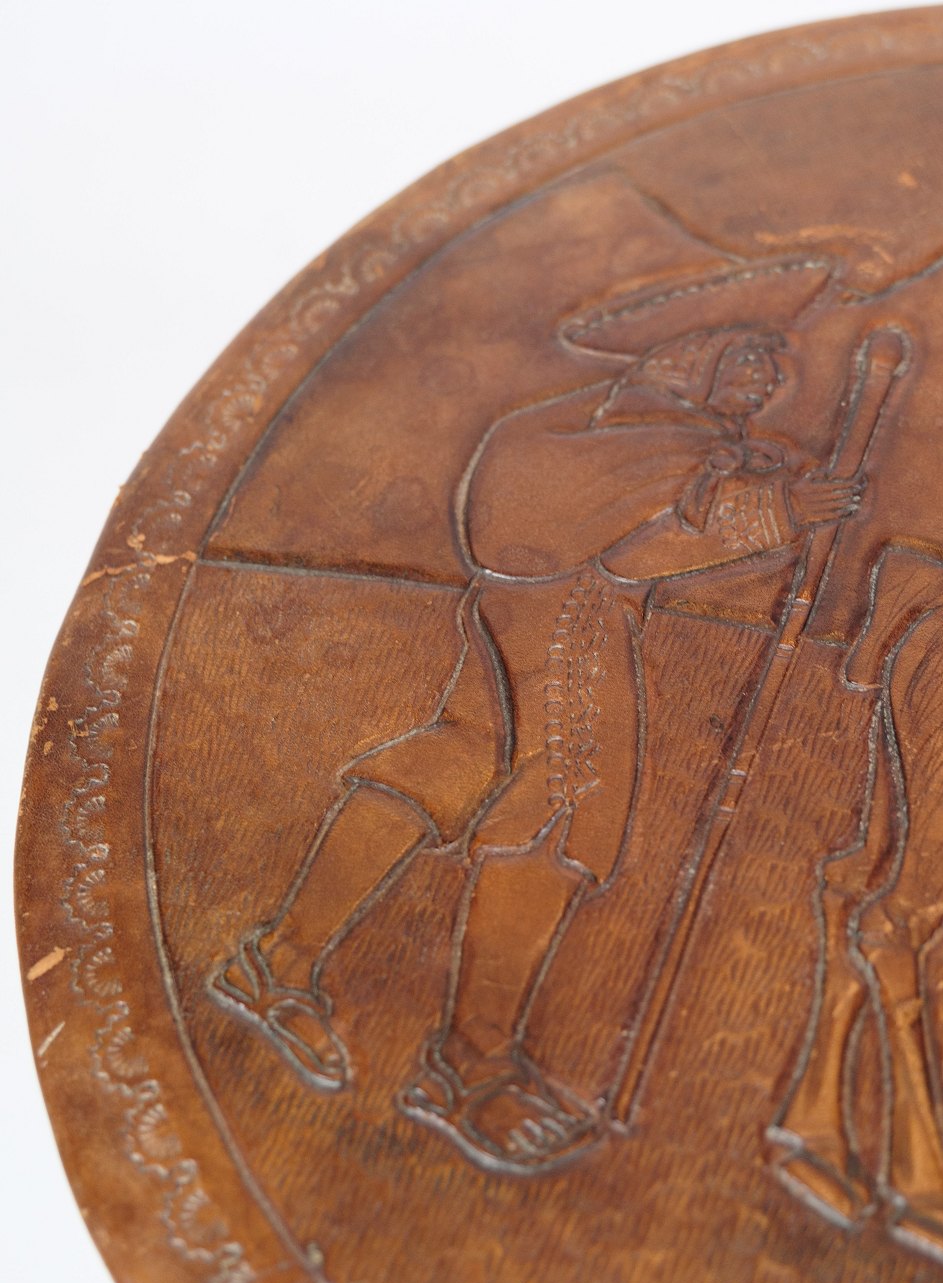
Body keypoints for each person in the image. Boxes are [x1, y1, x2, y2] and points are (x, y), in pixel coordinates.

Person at [209, 259, 862, 1171]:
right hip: (573, 621)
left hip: (523, 614)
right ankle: (471, 1066)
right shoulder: (630, 436)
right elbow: (627, 552)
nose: (770, 384)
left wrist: (767, 502)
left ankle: (278, 961)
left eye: (777, 370)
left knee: (454, 760)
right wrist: (781, 513)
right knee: (560, 811)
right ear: (695, 355)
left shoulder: (614, 433)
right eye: (753, 361)